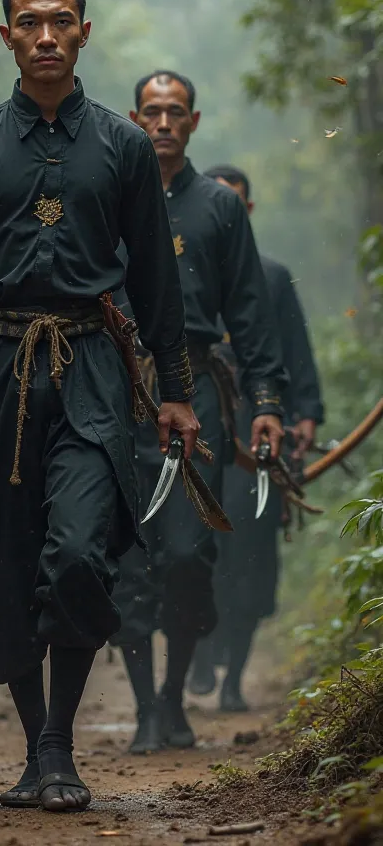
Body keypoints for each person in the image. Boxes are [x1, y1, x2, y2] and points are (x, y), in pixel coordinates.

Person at [0, 0, 198, 814]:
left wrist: (175, 392)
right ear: (7, 37)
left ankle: (60, 742)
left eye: (61, 21)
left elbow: (157, 288)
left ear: (85, 32)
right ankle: (39, 751)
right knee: (4, 562)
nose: (47, 37)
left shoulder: (126, 145)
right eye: (29, 23)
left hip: (97, 367)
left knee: (73, 553)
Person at [109, 70, 286, 753]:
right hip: (124, 392)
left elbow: (251, 313)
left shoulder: (220, 206)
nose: (161, 123)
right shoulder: (113, 196)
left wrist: (266, 401)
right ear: (133, 118)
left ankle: (174, 692)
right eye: (150, 111)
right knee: (128, 557)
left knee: (186, 554)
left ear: (193, 121)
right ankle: (144, 708)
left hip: (202, 395)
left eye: (174, 111)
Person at [188, 164, 324, 711]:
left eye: (234, 204)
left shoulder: (270, 276)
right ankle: (195, 652)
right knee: (194, 544)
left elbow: (293, 356)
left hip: (256, 429)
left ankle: (232, 678)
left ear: (247, 212)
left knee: (248, 555)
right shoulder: (182, 271)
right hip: (198, 425)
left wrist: (305, 412)